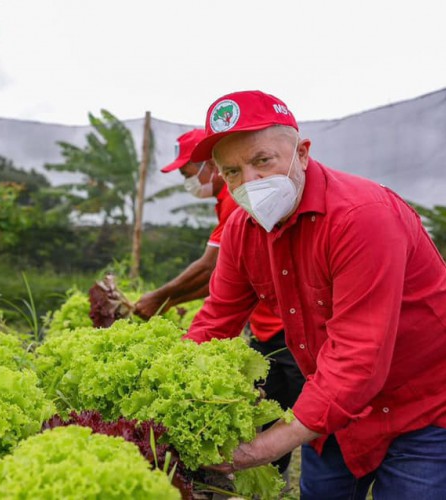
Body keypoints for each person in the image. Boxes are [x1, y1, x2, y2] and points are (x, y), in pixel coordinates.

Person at [183, 90, 446, 498]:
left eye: (262, 160)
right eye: (232, 171)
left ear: (302, 153)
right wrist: (171, 385)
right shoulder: (240, 230)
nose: (249, 182)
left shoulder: (362, 217)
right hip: (331, 411)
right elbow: (217, 320)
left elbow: (359, 356)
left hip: (420, 410)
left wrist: (260, 447)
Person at [134, 128, 304, 477]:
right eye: (233, 171)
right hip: (266, 327)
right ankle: (273, 471)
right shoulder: (232, 203)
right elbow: (225, 288)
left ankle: (275, 471)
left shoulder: (239, 198)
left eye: (187, 174)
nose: (188, 183)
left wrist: (158, 298)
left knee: (297, 415)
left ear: (208, 167)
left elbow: (209, 267)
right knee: (272, 406)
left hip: (290, 330)